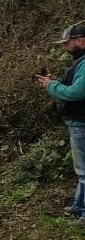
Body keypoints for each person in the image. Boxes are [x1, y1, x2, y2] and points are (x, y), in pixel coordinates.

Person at [38, 22, 85, 227]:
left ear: (80, 41)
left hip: (82, 124)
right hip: (78, 122)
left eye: (67, 43)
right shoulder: (80, 62)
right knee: (81, 170)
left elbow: (77, 92)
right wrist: (54, 83)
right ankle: (78, 205)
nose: (65, 47)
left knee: (84, 171)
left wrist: (52, 86)